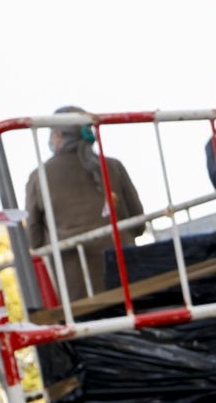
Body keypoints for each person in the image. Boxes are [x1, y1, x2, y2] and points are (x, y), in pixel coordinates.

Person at [24, 106, 144, 302]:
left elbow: (34, 239)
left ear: (57, 136)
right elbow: (138, 223)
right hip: (129, 275)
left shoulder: (39, 177)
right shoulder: (113, 166)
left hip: (78, 287)